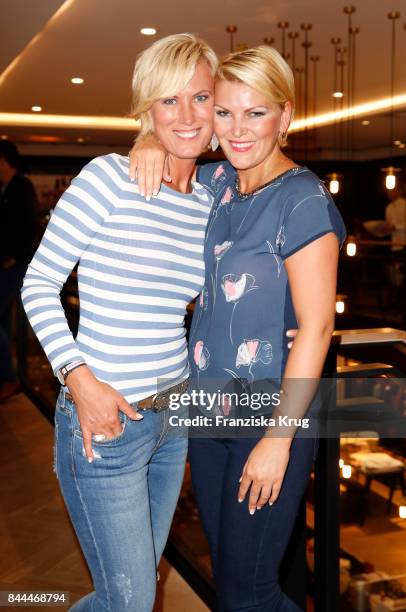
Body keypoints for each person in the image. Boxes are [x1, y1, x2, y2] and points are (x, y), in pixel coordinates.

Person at [130, 44, 346, 611]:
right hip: (209, 409)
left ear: (286, 116)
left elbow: (319, 329)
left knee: (248, 593)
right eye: (224, 112)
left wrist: (278, 441)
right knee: (231, 581)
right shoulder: (220, 183)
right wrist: (147, 141)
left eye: (256, 112)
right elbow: (174, 142)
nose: (237, 128)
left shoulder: (303, 199)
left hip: (271, 415)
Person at [21, 34, 218, 611]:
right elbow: (38, 284)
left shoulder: (207, 203)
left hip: (171, 421)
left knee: (128, 591)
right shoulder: (109, 178)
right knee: (130, 601)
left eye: (200, 98)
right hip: (104, 423)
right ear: (146, 111)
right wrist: (79, 382)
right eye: (168, 101)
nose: (185, 116)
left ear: (217, 106)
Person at [0, 140, 37, 402]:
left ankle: (12, 378)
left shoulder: (21, 187)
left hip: (16, 266)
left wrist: (12, 257)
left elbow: (27, 228)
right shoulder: (5, 188)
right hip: (7, 265)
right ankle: (7, 375)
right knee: (4, 321)